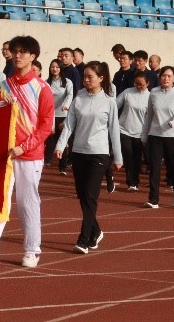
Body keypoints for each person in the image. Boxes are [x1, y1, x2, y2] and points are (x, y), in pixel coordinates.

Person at [0, 35, 53, 271]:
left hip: (29, 155)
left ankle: (32, 249)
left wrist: (24, 146)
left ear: (33, 56)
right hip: (6, 155)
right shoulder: (5, 86)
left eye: (23, 52)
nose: (17, 56)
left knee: (27, 203)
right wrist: (2, 106)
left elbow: (46, 126)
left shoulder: (42, 88)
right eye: (15, 51)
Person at [56, 62, 122, 253]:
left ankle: (83, 239)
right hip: (78, 153)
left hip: (98, 155)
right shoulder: (79, 97)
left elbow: (114, 130)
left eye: (90, 77)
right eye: (84, 76)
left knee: (90, 197)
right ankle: (96, 231)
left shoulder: (109, 101)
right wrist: (61, 145)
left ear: (101, 78)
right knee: (83, 196)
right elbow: (69, 124)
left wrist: (118, 157)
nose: (85, 80)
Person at [141, 66, 174, 210]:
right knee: (154, 168)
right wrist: (144, 134)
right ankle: (153, 199)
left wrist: (173, 122)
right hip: (155, 135)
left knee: (173, 167)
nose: (166, 78)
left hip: (172, 136)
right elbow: (149, 115)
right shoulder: (153, 93)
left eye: (169, 76)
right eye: (163, 76)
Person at [116, 71, 151, 190]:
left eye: (141, 84)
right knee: (128, 156)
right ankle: (131, 182)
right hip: (123, 129)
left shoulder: (150, 97)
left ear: (147, 83)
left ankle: (135, 179)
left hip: (140, 132)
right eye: (136, 83)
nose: (138, 86)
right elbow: (115, 105)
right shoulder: (127, 92)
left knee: (136, 157)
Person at [45, 58, 74, 174]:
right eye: (52, 67)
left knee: (62, 139)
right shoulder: (46, 82)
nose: (54, 69)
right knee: (50, 138)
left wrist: (66, 105)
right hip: (50, 114)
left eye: (57, 67)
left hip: (63, 114)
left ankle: (62, 167)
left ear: (61, 68)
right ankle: (46, 161)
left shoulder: (67, 82)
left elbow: (70, 95)